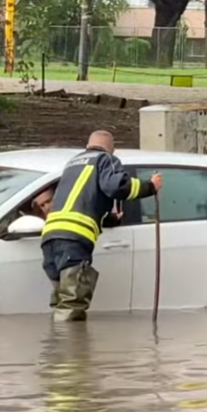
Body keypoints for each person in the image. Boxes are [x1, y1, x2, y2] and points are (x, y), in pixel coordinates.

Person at [40, 130, 163, 322]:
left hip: (50, 238)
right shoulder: (105, 159)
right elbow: (115, 187)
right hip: (75, 240)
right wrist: (149, 186)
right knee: (72, 306)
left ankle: (56, 348)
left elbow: (80, 201)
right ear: (111, 149)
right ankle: (71, 349)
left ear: (88, 146)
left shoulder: (72, 164)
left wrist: (109, 219)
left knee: (61, 302)